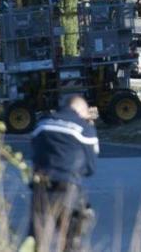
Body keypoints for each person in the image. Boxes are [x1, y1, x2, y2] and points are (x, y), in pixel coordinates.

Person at [30, 96, 99, 252]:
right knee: (71, 241)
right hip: (68, 188)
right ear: (82, 111)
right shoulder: (84, 128)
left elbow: (35, 152)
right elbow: (91, 168)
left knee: (37, 239)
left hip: (40, 186)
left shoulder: (41, 124)